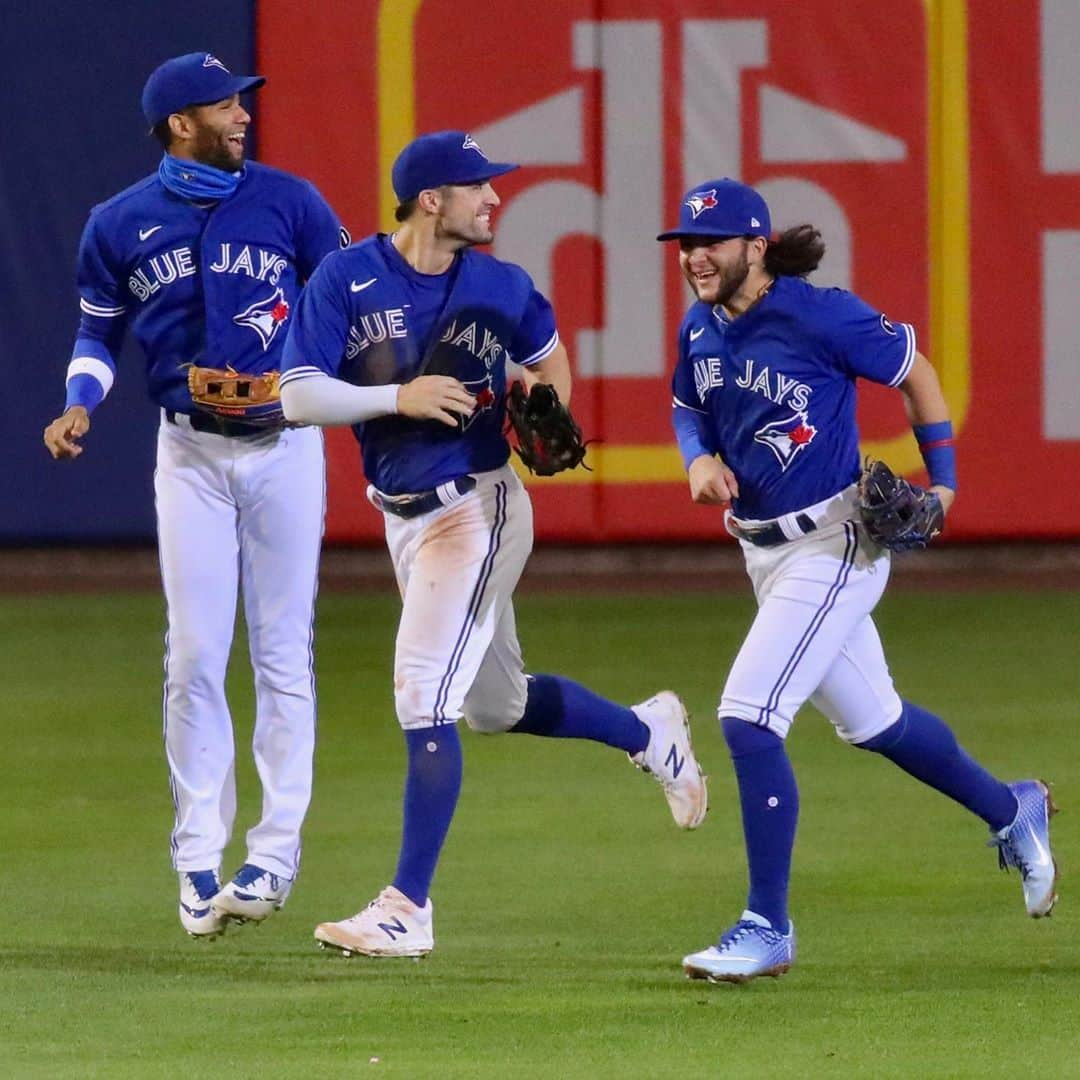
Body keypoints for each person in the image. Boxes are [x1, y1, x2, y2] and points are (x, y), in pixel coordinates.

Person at [279, 130, 707, 959]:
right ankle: (650, 734)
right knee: (496, 706)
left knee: (423, 693)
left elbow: (551, 367)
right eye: (480, 187)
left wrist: (540, 402)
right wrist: (399, 395)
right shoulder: (346, 277)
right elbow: (297, 397)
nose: (496, 199)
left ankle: (408, 907)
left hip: (478, 508)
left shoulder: (501, 284)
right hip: (404, 515)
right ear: (431, 200)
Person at [657, 178, 1059, 984]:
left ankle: (766, 926)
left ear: (755, 247)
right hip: (763, 554)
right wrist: (696, 457)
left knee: (746, 718)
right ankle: (1013, 808)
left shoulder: (821, 314)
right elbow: (685, 405)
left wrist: (942, 485)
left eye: (712, 242)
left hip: (835, 544)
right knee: (877, 722)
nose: (696, 257)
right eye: (685, 244)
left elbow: (919, 374)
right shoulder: (700, 327)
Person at [42, 52, 347, 939]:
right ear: (181, 122)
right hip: (189, 458)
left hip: (286, 447)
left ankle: (275, 851)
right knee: (192, 657)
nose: (243, 115)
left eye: (241, 101)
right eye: (225, 105)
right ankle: (196, 861)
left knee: (282, 652)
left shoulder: (292, 203)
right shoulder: (118, 224)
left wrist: (305, 377)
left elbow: (344, 311)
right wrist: (79, 402)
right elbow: (97, 334)